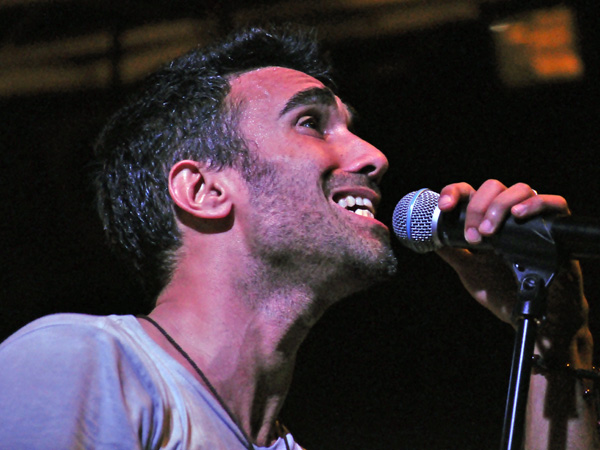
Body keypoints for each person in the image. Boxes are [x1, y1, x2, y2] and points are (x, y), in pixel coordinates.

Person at [0, 24, 596, 449]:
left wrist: (556, 340)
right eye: (311, 122)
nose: (374, 156)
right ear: (203, 189)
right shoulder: (82, 364)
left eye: (351, 128)